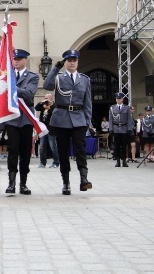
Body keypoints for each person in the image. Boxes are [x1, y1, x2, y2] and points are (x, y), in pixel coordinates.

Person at [43, 49, 93, 196]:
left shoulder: (84, 79)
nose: (72, 63)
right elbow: (47, 85)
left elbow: (88, 102)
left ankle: (84, 179)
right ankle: (66, 182)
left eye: (74, 60)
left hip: (79, 118)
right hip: (62, 118)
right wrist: (56, 67)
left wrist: (88, 121)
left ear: (77, 62)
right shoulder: (58, 78)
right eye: (69, 60)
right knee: (63, 151)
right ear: (65, 62)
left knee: (80, 149)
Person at [1, 49, 38, 196]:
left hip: (26, 119)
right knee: (12, 151)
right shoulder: (7, 76)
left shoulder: (32, 77)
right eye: (14, 59)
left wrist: (11, 88)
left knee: (25, 152)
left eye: (19, 59)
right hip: (11, 118)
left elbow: (29, 94)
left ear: (25, 60)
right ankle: (11, 183)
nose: (16, 61)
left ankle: (23, 183)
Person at [109, 93, 133, 167]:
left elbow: (129, 119)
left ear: (122, 99)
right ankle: (118, 161)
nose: (118, 100)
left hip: (124, 128)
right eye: (117, 99)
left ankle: (124, 161)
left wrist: (129, 128)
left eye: (119, 98)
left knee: (124, 145)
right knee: (116, 146)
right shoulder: (112, 108)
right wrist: (111, 129)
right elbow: (110, 119)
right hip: (116, 128)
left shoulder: (126, 108)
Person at [35, 93, 58, 168]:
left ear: (51, 99)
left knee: (53, 146)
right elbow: (36, 108)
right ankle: (42, 162)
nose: (46, 100)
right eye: (45, 98)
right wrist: (41, 102)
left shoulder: (55, 106)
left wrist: (49, 109)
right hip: (43, 129)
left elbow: (56, 115)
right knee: (42, 146)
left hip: (51, 129)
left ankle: (56, 162)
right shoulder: (43, 106)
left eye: (47, 98)